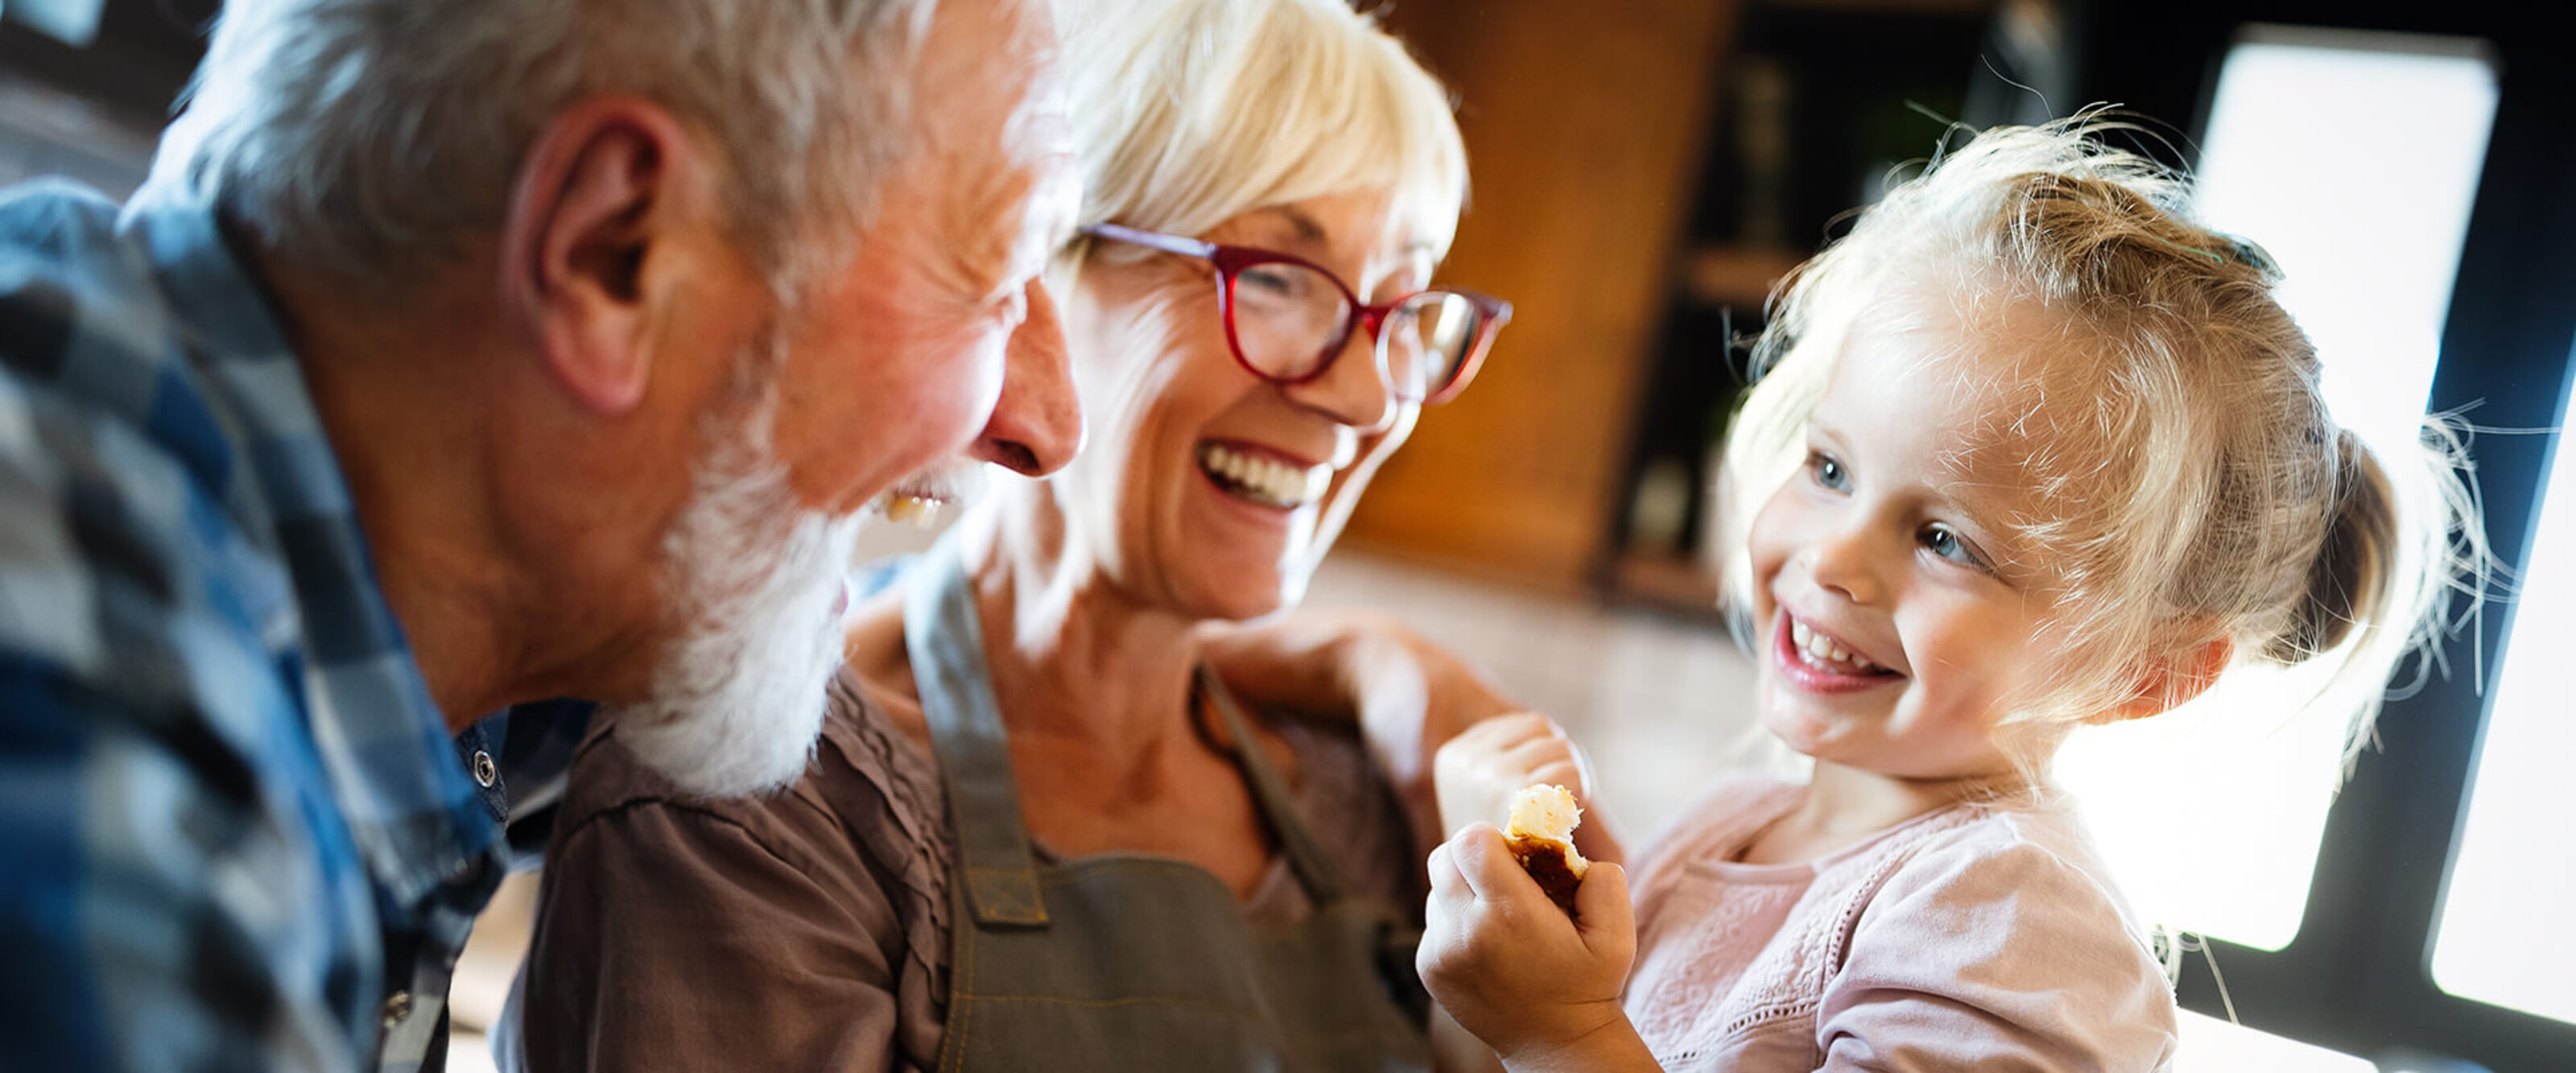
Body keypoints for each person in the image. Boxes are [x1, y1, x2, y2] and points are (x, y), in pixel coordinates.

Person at [0, 0, 1084, 1068]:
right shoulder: (95, 775)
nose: (1048, 424)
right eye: (990, 280)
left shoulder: (438, 580)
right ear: (614, 252)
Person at [502, 0, 1509, 1068]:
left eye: (1402, 309)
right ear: (1038, 264)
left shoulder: (1389, 809)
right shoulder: (756, 788)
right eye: (1272, 277)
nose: (1363, 397)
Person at [1417, 118, 2472, 1071]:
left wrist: (1560, 1028)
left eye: (1944, 539)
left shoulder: (2011, 919)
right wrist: (1498, 958)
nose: (1832, 559)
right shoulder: (1736, 822)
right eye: (1830, 467)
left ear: (2144, 672)